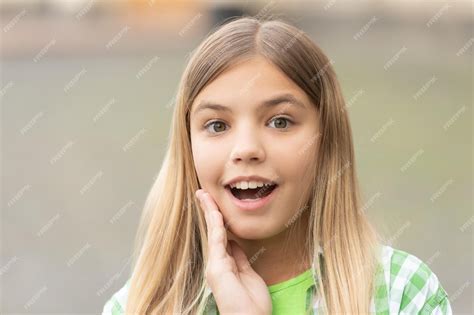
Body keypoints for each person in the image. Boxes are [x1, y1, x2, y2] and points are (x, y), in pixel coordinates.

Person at [102, 17, 452, 314]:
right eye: (217, 125)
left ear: (326, 139)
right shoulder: (138, 305)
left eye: (280, 122)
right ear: (187, 147)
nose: (247, 149)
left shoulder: (401, 293)